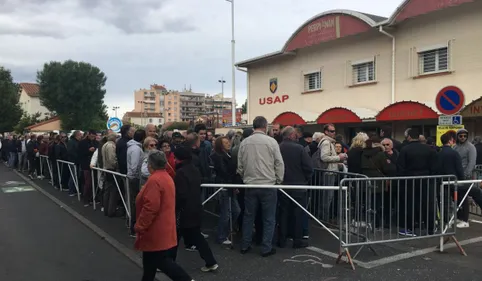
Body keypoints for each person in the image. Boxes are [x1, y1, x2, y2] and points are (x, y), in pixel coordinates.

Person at [134, 151, 193, 281]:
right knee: (150, 260)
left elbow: (151, 207)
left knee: (161, 261)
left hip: (155, 228)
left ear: (150, 165)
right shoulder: (166, 177)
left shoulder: (155, 180)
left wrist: (140, 225)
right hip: (163, 225)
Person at [237, 116, 284, 257]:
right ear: (265, 126)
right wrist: (278, 180)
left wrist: (244, 176)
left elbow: (240, 165)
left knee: (248, 216)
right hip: (268, 184)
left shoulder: (244, 143)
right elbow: (279, 163)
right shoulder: (272, 142)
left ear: (253, 126)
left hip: (250, 184)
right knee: (269, 218)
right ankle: (266, 247)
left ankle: (245, 245)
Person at [173, 146, 219, 272]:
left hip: (184, 211)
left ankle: (168, 263)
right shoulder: (194, 169)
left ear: (178, 159)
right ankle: (210, 261)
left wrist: (175, 207)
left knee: (175, 237)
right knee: (196, 237)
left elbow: (181, 194)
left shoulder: (180, 173)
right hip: (195, 207)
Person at [277, 126, 313, 248]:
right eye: (296, 134)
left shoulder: (278, 147)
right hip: (298, 184)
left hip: (282, 184)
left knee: (283, 212)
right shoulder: (299, 148)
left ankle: (282, 239)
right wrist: (306, 179)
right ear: (292, 135)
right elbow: (308, 167)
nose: (297, 136)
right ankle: (297, 240)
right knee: (297, 213)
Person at [210, 136, 241, 245]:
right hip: (224, 187)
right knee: (226, 212)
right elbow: (224, 172)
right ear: (220, 145)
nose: (228, 144)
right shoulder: (219, 157)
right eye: (225, 143)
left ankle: (224, 231)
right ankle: (221, 235)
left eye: (228, 142)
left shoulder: (228, 155)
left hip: (229, 186)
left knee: (235, 210)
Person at [127, 130, 146, 236]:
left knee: (134, 202)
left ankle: (133, 226)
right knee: (136, 203)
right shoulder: (136, 149)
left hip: (133, 177)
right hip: (135, 178)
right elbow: (134, 165)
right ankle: (134, 228)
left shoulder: (132, 147)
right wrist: (134, 176)